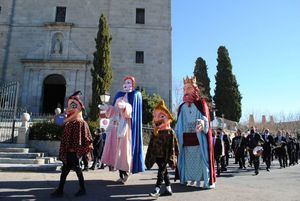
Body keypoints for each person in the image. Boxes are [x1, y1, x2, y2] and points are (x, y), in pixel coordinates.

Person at [100, 76, 144, 183]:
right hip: (115, 126)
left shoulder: (136, 95)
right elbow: (113, 111)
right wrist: (107, 108)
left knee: (124, 152)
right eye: (125, 82)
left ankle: (125, 173)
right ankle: (121, 174)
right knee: (116, 152)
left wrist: (125, 107)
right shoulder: (118, 95)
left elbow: (132, 113)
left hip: (126, 128)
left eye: (129, 82)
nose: (126, 84)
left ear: (133, 84)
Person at [175, 76, 216, 189]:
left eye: (188, 88)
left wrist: (202, 125)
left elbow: (205, 120)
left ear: (195, 89)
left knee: (201, 160)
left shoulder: (201, 104)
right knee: (187, 161)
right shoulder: (182, 107)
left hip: (199, 139)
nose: (186, 91)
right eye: (184, 89)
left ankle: (205, 181)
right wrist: (176, 134)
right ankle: (186, 179)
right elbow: (179, 123)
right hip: (186, 140)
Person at [51, 91, 93, 197]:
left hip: (74, 151)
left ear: (79, 107)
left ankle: (80, 189)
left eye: (72, 105)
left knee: (74, 167)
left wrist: (75, 150)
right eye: (69, 105)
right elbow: (62, 122)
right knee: (66, 169)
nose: (68, 108)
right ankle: (61, 190)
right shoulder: (70, 123)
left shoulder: (80, 123)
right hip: (69, 150)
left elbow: (79, 140)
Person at [145, 100, 179, 198]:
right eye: (155, 116)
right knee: (164, 171)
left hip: (165, 155)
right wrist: (151, 155)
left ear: (168, 117)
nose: (157, 119)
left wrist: (172, 156)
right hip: (157, 155)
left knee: (161, 171)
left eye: (161, 116)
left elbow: (173, 145)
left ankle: (157, 189)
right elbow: (152, 144)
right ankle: (168, 189)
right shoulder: (156, 132)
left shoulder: (169, 132)